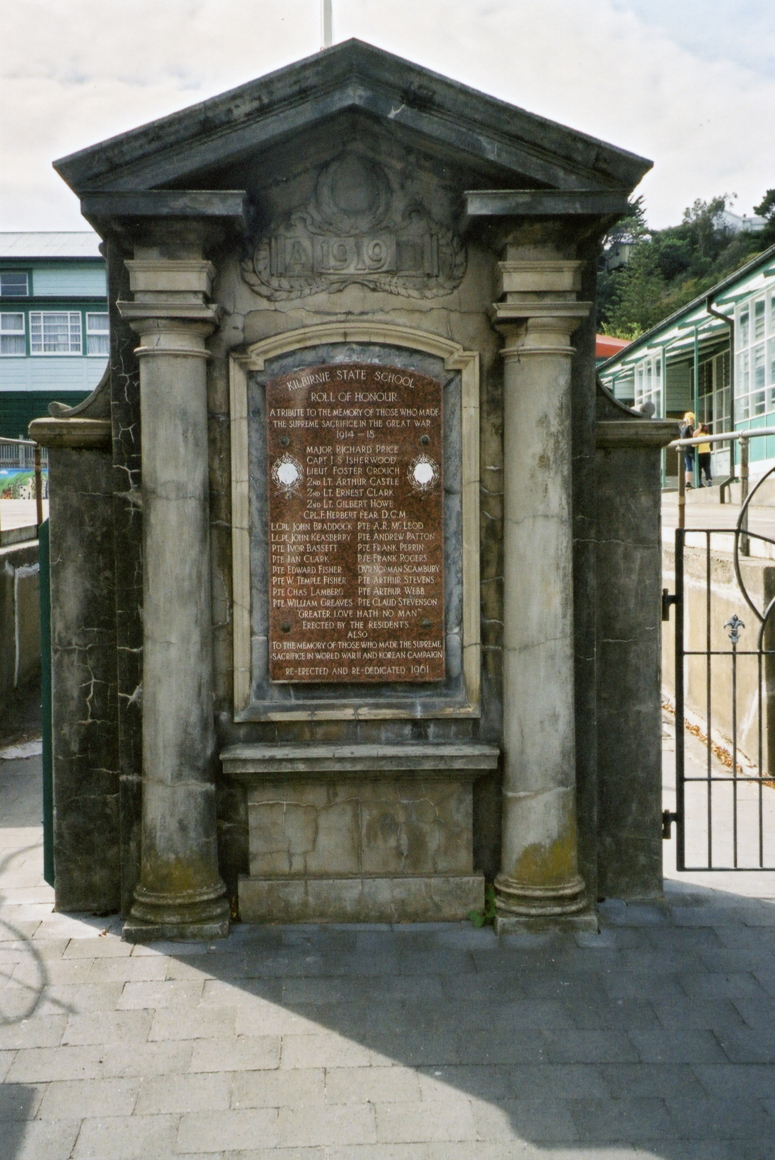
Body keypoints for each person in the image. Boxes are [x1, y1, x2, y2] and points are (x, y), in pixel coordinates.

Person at [680, 411, 696, 488]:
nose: (693, 421)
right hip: (691, 448)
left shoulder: (682, 427)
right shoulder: (689, 427)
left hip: (684, 449)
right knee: (699, 463)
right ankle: (699, 482)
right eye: (692, 419)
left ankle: (688, 483)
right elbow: (693, 435)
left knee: (688, 467)